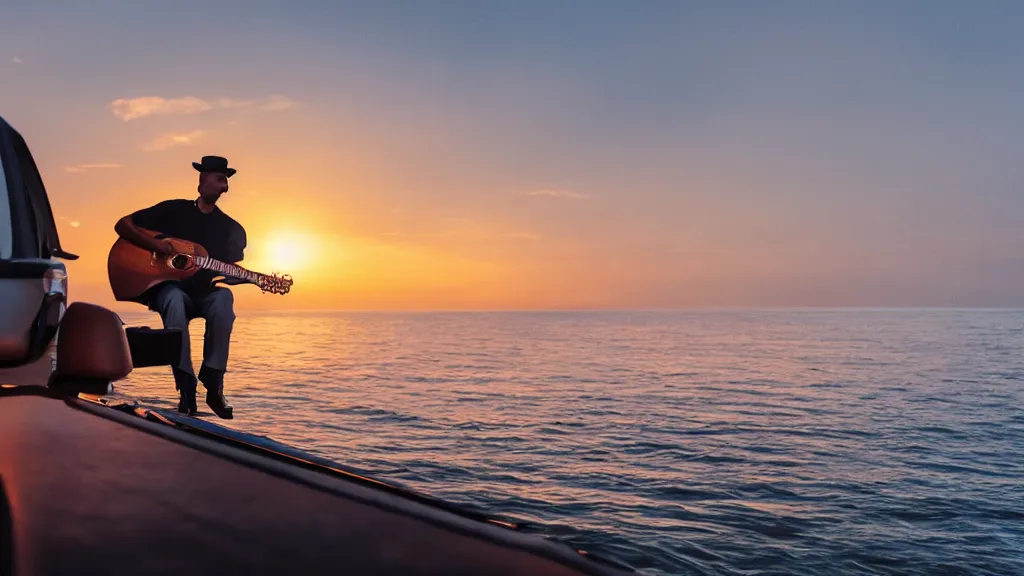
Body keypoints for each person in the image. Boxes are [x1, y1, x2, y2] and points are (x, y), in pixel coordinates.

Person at [113, 155, 246, 419]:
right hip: (167, 288)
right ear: (202, 179)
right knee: (173, 298)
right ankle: (186, 387)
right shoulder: (173, 210)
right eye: (220, 179)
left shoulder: (231, 229)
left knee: (224, 299)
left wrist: (239, 276)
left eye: (227, 182)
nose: (225, 188)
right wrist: (158, 246)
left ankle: (213, 383)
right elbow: (123, 225)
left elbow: (228, 269)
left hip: (203, 293)